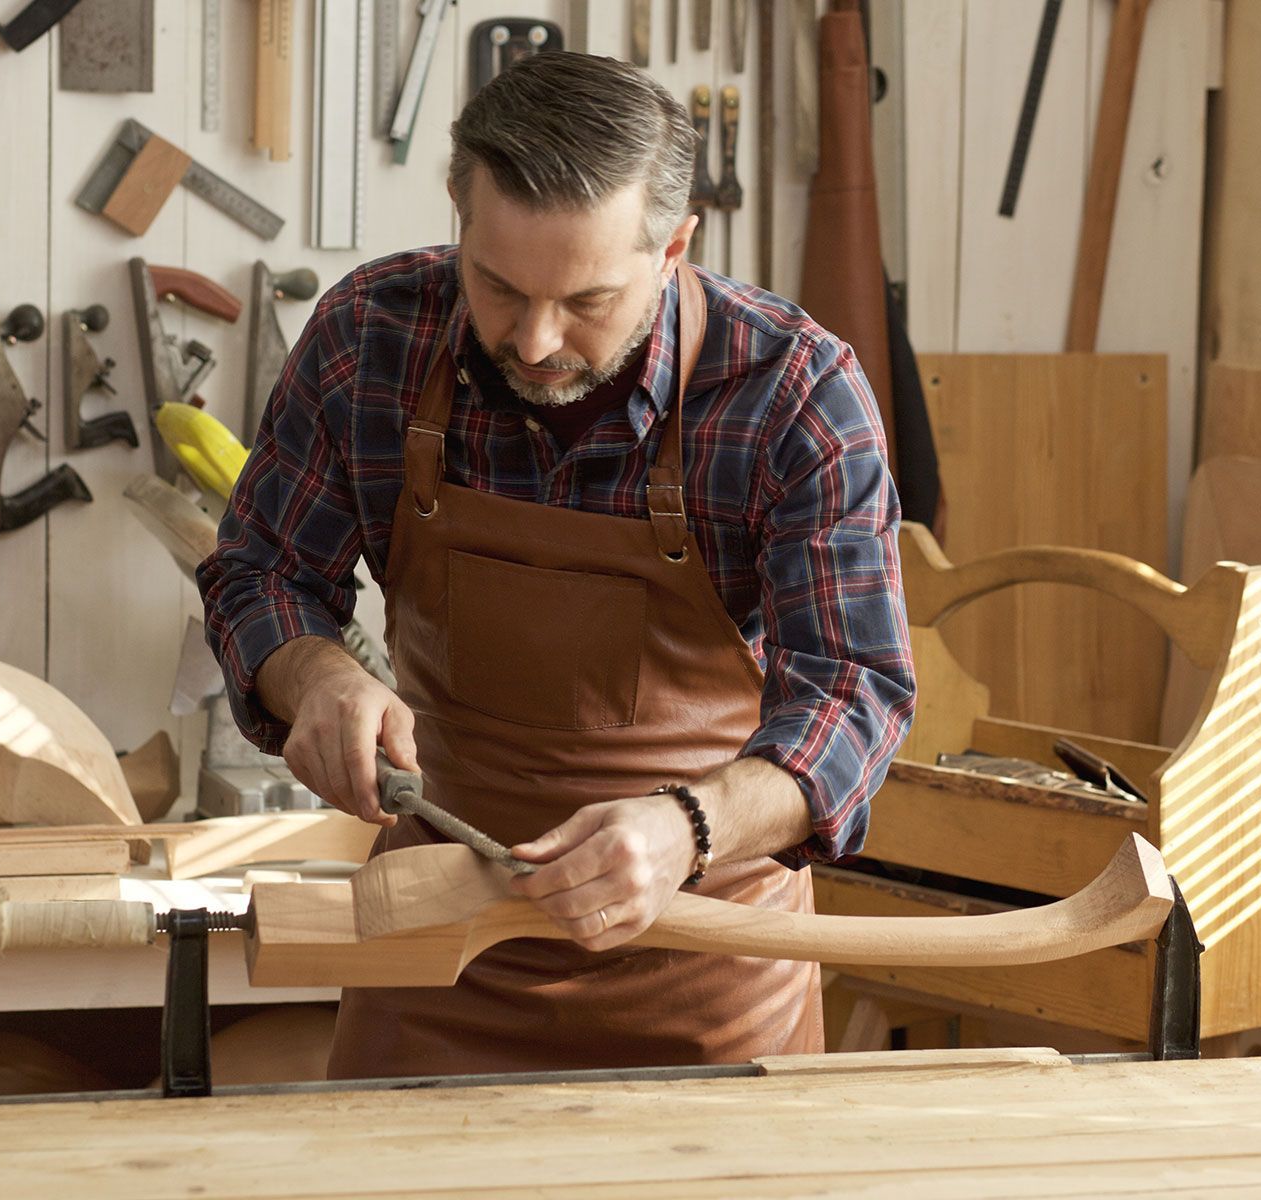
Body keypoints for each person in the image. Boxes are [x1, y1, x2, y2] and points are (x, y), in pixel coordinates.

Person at [199, 52, 914, 1079]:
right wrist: (312, 673)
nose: (534, 341)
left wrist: (690, 825)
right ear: (459, 211)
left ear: (673, 246)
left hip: (705, 963)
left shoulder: (792, 393)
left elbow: (856, 698)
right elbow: (258, 568)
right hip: (437, 961)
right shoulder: (373, 336)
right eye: (496, 285)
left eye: (586, 300)